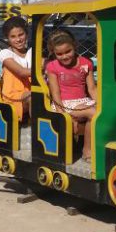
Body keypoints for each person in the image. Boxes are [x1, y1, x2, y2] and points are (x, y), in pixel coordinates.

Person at [44, 30, 97, 160]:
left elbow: (92, 88)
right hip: (64, 104)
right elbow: (55, 92)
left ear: (75, 46)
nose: (65, 56)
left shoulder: (86, 63)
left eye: (68, 51)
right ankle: (87, 150)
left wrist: (100, 103)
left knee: (99, 111)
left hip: (82, 102)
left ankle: (92, 146)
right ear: (54, 53)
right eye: (59, 54)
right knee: (93, 113)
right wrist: (63, 114)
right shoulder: (52, 67)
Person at [0, 16, 32, 122]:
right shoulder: (5, 54)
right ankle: (37, 132)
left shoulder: (32, 52)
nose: (18, 39)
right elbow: (21, 72)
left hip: (30, 92)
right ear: (7, 38)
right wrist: (42, 70)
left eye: (21, 34)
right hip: (13, 97)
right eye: (13, 36)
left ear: (26, 34)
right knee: (35, 97)